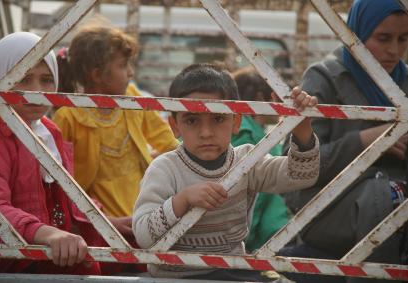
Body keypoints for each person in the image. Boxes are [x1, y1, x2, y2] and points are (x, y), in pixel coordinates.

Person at [132, 63, 320, 281]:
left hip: (233, 271)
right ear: (174, 126)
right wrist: (182, 200)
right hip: (177, 276)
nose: (206, 133)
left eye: (218, 119)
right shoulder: (165, 168)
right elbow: (143, 236)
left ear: (236, 121)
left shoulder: (246, 160)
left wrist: (302, 128)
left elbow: (301, 175)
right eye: (192, 120)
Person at [281, 1, 408, 282]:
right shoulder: (325, 78)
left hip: (396, 196)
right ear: (357, 34)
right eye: (383, 38)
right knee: (386, 197)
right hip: (329, 208)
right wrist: (366, 140)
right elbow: (293, 166)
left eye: (403, 39)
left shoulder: (404, 81)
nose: (394, 51)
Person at [0, 32, 129, 274]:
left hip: (58, 249)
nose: (36, 91)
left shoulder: (48, 131)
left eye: (46, 79)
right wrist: (49, 234)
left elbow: (66, 196)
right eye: (23, 79)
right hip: (13, 259)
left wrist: (105, 221)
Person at [53, 25, 178, 219]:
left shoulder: (132, 99)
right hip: (99, 222)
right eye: (123, 65)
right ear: (96, 75)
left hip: (144, 214)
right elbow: (60, 179)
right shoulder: (68, 117)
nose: (130, 72)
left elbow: (167, 140)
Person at [230, 67, 289, 253]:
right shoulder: (246, 135)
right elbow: (248, 198)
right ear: (261, 98)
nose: (281, 104)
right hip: (259, 241)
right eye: (276, 97)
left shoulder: (256, 133)